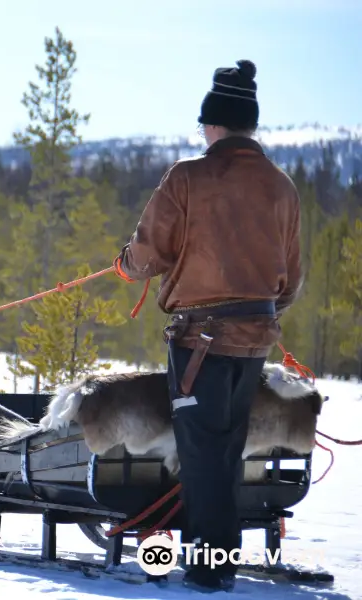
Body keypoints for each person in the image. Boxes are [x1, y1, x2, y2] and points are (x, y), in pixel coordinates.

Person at [112, 59, 303, 593]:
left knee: (203, 458)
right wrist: (261, 314)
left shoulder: (188, 177)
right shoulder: (282, 187)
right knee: (225, 450)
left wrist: (126, 263)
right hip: (255, 341)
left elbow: (146, 255)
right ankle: (214, 560)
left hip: (200, 342)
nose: (201, 131)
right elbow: (290, 279)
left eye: (203, 123)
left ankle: (209, 571)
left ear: (215, 124)